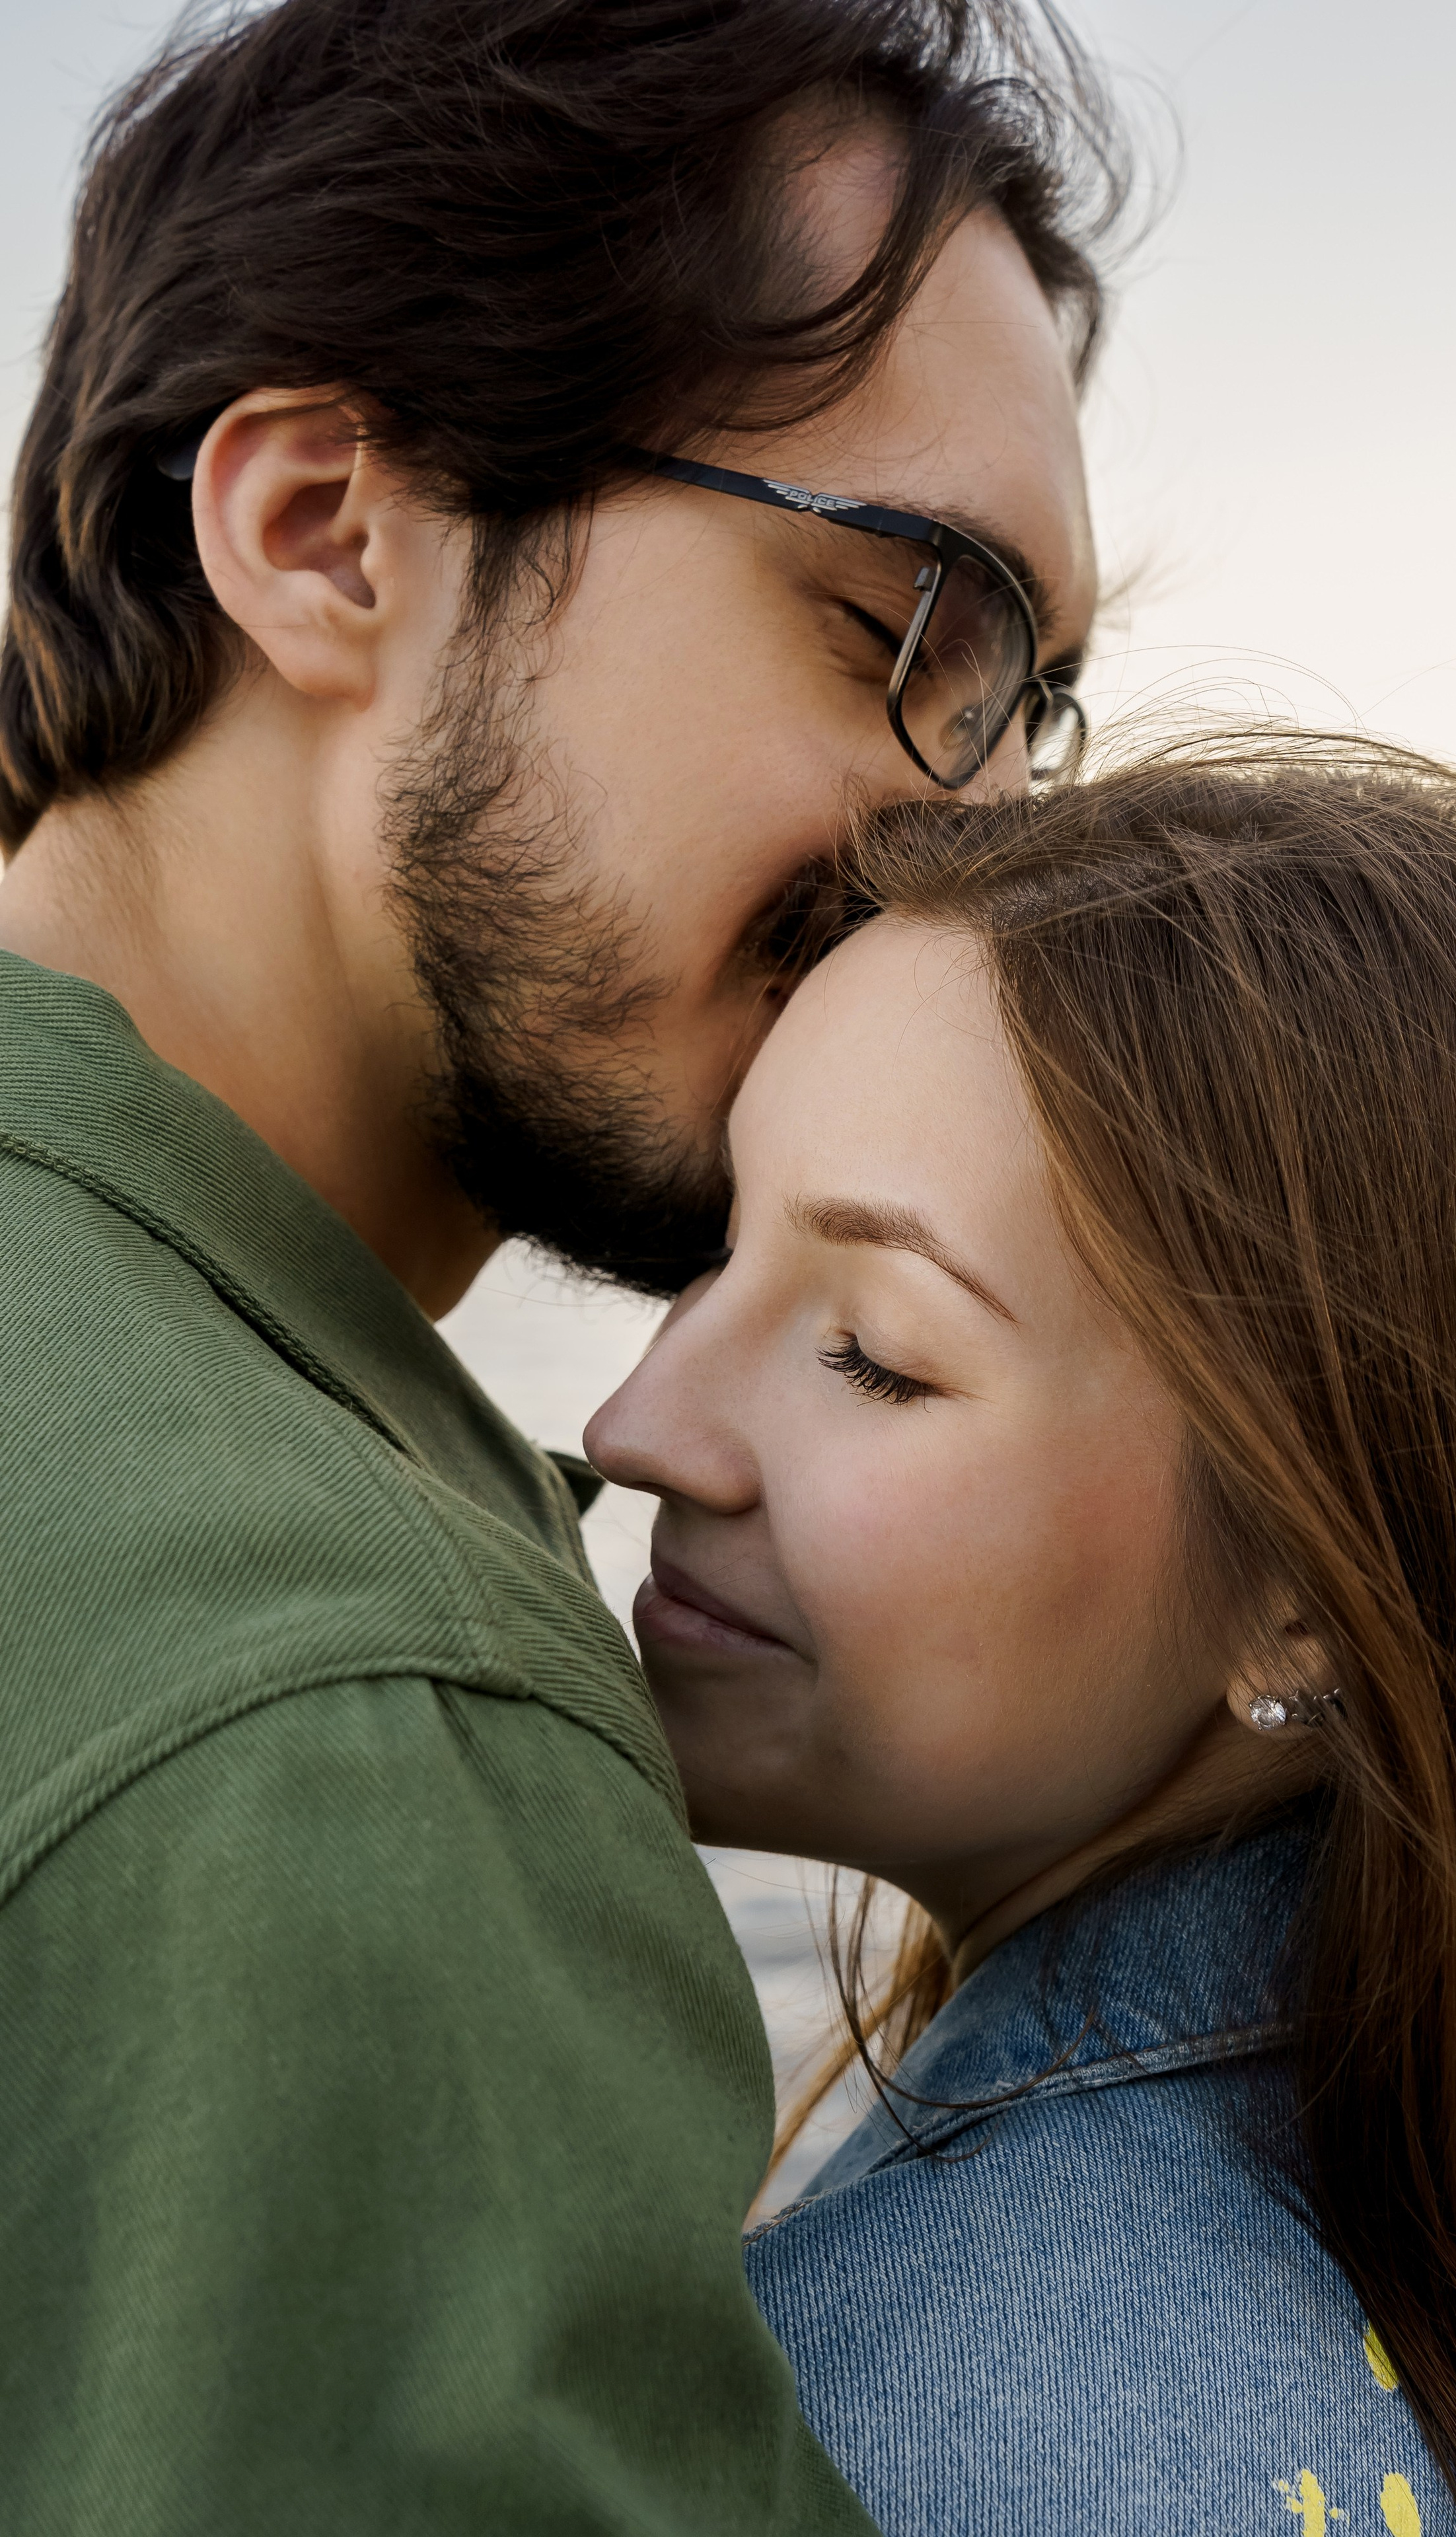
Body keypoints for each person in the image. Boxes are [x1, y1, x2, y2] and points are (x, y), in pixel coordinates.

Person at [0, 0, 1116, 2522]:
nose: (987, 836)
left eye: (1038, 705)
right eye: (903, 631)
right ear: (318, 531)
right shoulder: (337, 1718)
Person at [587, 737, 1456, 2536]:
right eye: (709, 1257)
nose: (641, 1420)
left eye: (876, 1349)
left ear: (1316, 1593)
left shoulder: (905, 2436)